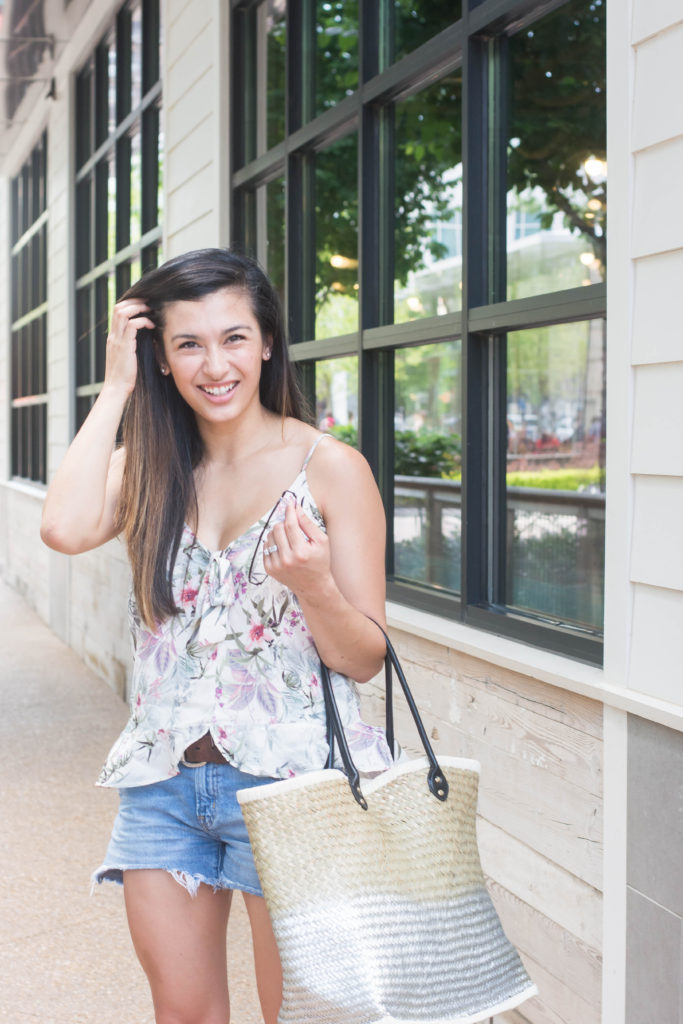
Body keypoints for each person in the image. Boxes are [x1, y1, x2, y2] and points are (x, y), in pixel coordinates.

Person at [40, 248, 393, 1024]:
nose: (214, 364)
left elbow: (365, 656)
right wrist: (115, 390)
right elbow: (62, 527)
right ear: (161, 360)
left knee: (299, 1016)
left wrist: (313, 586)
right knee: (185, 1015)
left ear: (267, 342)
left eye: (234, 338)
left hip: (293, 782)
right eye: (187, 344)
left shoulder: (330, 469)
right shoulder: (152, 466)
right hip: (164, 781)